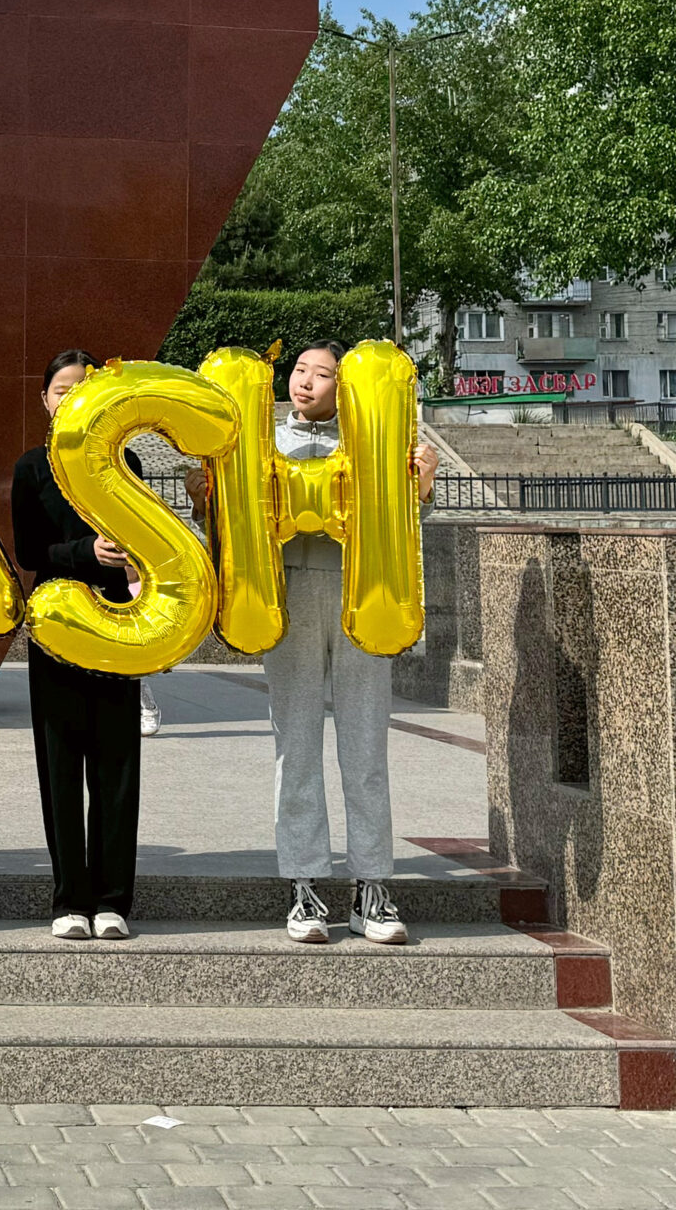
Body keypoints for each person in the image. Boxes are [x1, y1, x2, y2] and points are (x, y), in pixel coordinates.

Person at [261, 342, 437, 947]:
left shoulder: (372, 445)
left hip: (361, 594)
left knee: (366, 746)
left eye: (324, 374)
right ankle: (305, 883)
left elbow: (401, 524)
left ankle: (372, 885)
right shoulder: (263, 446)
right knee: (297, 745)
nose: (307, 382)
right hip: (288, 598)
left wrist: (424, 488)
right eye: (301, 371)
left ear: (346, 387)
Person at [11, 349, 148, 940]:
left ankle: (114, 899)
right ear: (44, 400)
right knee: (61, 765)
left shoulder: (127, 462)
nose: (69, 396)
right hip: (58, 625)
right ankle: (69, 898)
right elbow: (27, 553)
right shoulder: (31, 468)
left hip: (119, 622)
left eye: (81, 387)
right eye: (60, 388)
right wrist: (82, 555)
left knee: (118, 763)